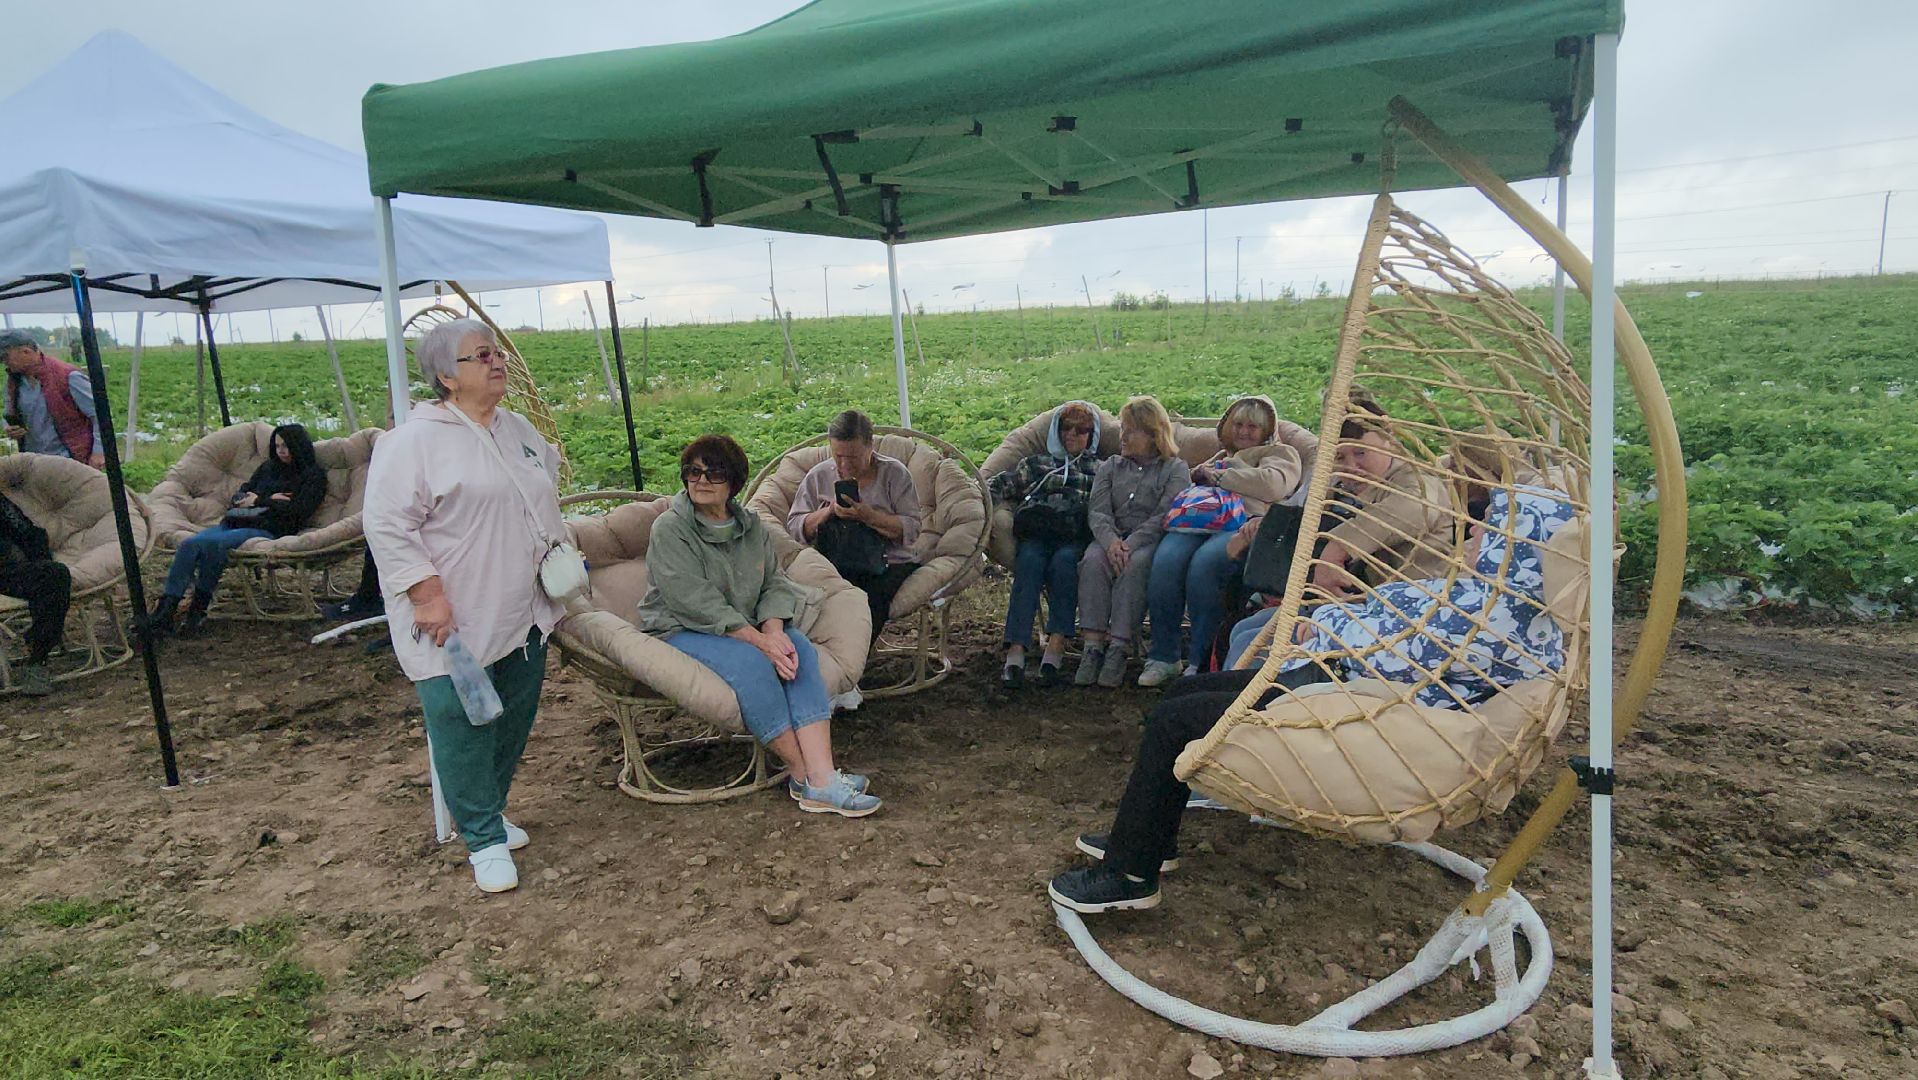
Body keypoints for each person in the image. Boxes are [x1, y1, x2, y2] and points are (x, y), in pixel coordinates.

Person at [1048, 475, 1578, 913]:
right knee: (1183, 696)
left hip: (1353, 706)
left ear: (1517, 546)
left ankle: (1131, 875)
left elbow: (1405, 655)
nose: (1478, 531)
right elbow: (1399, 614)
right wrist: (1331, 620)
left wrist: (1324, 629)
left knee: (1177, 722)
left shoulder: (1501, 620)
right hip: (1341, 682)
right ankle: (1149, 839)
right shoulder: (1485, 596)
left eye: (1491, 526)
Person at [363, 318, 565, 894]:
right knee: (462, 722)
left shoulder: (516, 428)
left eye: (496, 352)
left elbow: (543, 494)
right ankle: (480, 837)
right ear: (447, 378)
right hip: (452, 615)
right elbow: (387, 525)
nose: (498, 362)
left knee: (513, 716)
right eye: (482, 356)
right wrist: (425, 595)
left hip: (522, 607)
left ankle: (491, 809)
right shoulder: (412, 443)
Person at [641, 433, 881, 817]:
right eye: (693, 472)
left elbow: (774, 581)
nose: (701, 481)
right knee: (753, 665)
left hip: (745, 625)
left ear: (733, 482)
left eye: (713, 473)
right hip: (683, 627)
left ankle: (820, 775)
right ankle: (807, 775)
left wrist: (773, 631)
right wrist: (759, 642)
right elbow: (693, 601)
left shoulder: (749, 524)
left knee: (797, 648)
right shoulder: (670, 528)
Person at [1138, 395, 1305, 687]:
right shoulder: (1221, 455)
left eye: (1253, 427)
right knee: (1165, 560)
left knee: (1204, 566)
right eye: (1238, 424)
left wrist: (1220, 477)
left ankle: (1201, 660)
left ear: (1267, 430)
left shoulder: (1281, 453)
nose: (1243, 432)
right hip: (1199, 523)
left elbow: (1273, 484)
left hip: (1242, 527)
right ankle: (1163, 656)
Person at [148, 423, 325, 638]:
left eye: (286, 446)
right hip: (235, 521)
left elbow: (299, 510)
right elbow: (242, 493)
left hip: (269, 527)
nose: (281, 451)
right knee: (189, 544)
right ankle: (167, 609)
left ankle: (199, 607)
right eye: (277, 446)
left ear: (299, 445)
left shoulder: (312, 475)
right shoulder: (269, 468)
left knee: (215, 545)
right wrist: (252, 500)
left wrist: (260, 500)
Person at [1074, 396, 1186, 689]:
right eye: (1122, 428)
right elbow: (1097, 512)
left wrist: (1130, 544)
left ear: (1153, 434)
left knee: (1135, 565)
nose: (1122, 436)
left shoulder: (1174, 469)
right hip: (1110, 536)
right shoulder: (1110, 466)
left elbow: (1165, 515)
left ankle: (1118, 648)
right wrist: (1112, 542)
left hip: (1147, 539)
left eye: (1130, 430)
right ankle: (1093, 646)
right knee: (1093, 561)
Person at [989, 400, 1101, 688]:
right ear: (1056, 431)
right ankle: (1016, 649)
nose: (1072, 435)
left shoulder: (1099, 470)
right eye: (1066, 428)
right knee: (1029, 562)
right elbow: (997, 485)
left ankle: (1057, 643)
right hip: (1037, 533)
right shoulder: (1036, 464)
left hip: (1072, 536)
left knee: (1065, 564)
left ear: (1092, 435)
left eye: (1081, 429)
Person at [788, 409, 922, 645]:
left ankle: (850, 663)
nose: (844, 464)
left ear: (871, 447)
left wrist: (869, 516)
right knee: (813, 598)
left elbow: (911, 528)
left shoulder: (894, 474)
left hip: (888, 562)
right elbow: (796, 526)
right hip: (836, 558)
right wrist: (828, 511)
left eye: (853, 457)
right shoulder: (819, 475)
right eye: (838, 456)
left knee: (868, 602)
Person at [1, 492, 72, 696]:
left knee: (54, 575)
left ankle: (37, 657)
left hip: (12, 572)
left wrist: (37, 560)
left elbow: (30, 533)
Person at [2, 331, 104, 468]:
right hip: (34, 462)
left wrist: (99, 452)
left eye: (6, 357)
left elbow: (100, 415)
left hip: (70, 460)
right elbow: (8, 412)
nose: (5, 363)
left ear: (25, 352)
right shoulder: (13, 382)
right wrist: (9, 427)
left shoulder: (68, 376)